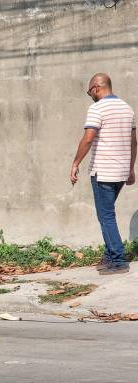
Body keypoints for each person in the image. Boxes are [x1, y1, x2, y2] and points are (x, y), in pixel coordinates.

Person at [70, 73, 137, 275]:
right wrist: (131, 168)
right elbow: (134, 142)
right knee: (107, 213)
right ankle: (109, 257)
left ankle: (118, 261)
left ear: (97, 87)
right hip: (120, 173)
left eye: (89, 91)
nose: (90, 95)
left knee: (106, 216)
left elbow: (88, 138)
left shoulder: (97, 108)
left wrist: (75, 163)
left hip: (104, 172)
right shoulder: (127, 108)